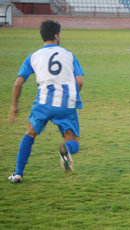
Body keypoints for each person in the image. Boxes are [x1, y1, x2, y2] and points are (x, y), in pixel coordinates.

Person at [8, 20, 84, 183]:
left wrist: (14, 105)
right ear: (56, 36)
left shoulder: (33, 56)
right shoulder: (69, 55)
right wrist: (71, 99)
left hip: (43, 103)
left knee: (30, 134)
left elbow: (18, 82)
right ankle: (67, 149)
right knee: (74, 142)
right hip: (66, 104)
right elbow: (79, 81)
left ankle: (18, 174)